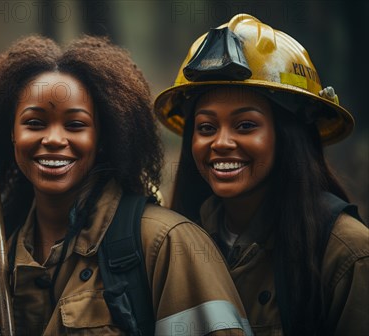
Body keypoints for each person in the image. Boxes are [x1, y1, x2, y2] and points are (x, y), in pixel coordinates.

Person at [0, 35, 252, 335]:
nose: (54, 139)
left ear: (103, 137)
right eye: (34, 123)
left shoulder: (166, 245)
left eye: (75, 125)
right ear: (11, 134)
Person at [155, 13, 369, 335]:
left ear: (288, 136)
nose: (221, 143)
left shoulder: (348, 254)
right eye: (206, 127)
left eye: (245, 125)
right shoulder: (177, 241)